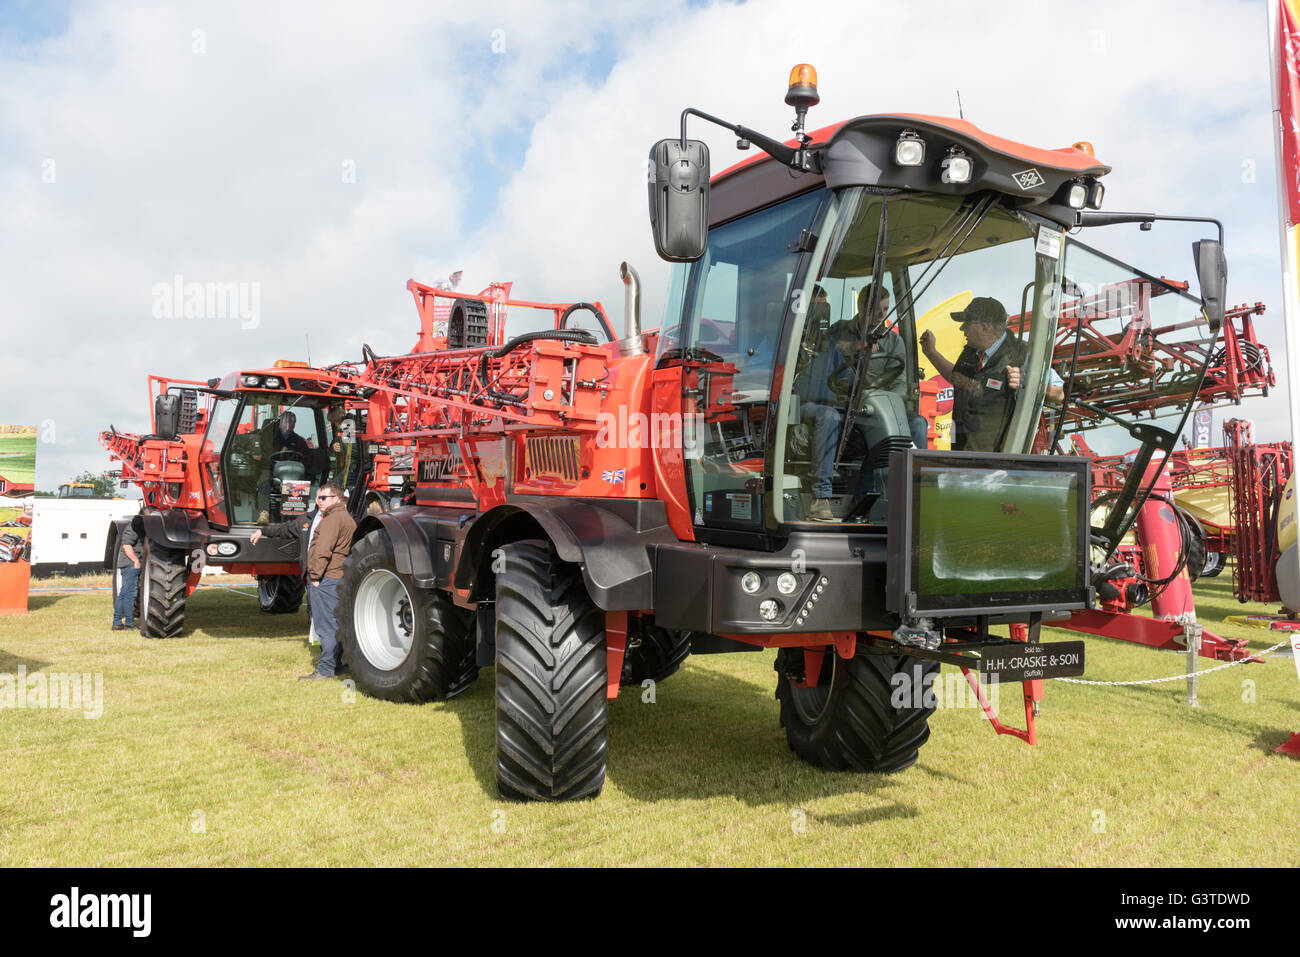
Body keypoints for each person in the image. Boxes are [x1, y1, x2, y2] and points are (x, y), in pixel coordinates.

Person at [920, 296, 1065, 452]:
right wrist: (931, 353)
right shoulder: (970, 352)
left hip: (996, 463)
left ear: (984, 327)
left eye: (966, 323)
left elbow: (1059, 394)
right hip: (961, 457)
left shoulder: (1022, 354)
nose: (962, 329)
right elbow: (957, 378)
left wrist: (1027, 384)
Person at [250, 482, 356, 679]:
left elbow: (322, 550)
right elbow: (286, 529)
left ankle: (325, 670)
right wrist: (263, 531)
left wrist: (314, 577)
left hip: (325, 579)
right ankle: (340, 665)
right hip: (337, 578)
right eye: (317, 497)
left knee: (326, 625)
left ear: (337, 499)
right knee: (337, 623)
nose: (319, 501)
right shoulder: (341, 518)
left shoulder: (332, 520)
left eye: (323, 497)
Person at [112, 518, 142, 631]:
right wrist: (136, 561)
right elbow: (126, 546)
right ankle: (129, 623)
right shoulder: (133, 527)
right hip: (130, 565)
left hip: (128, 565)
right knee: (129, 595)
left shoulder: (133, 526)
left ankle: (117, 623)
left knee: (124, 594)